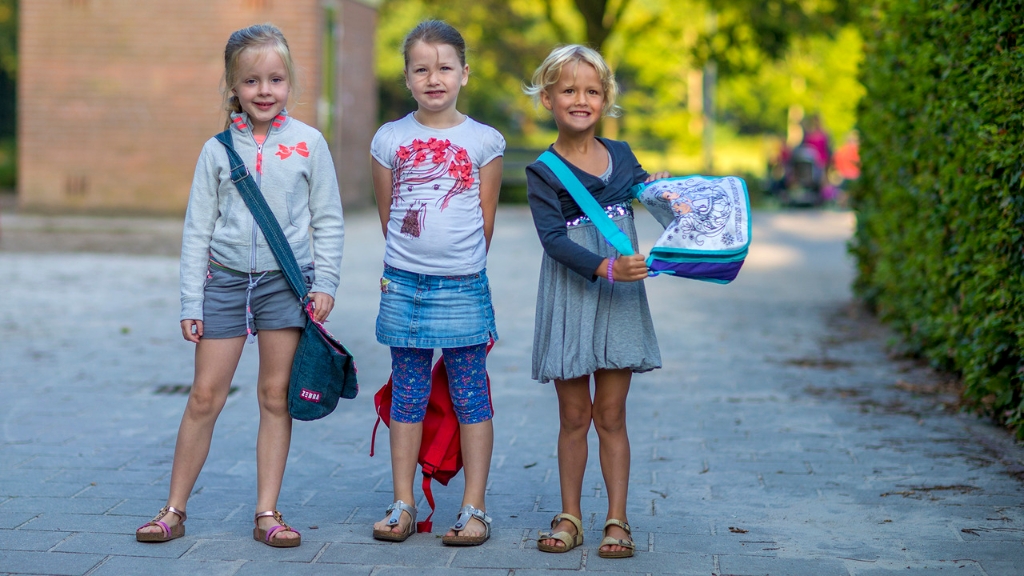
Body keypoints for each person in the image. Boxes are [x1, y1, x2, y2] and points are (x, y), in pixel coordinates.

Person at [135, 23, 345, 548]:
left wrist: (327, 282)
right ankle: (173, 509)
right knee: (205, 395)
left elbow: (330, 220)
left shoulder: (308, 145)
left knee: (275, 395)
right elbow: (196, 232)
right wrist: (190, 300)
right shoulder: (217, 151)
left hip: (284, 284)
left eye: (275, 79)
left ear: (290, 83)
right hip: (224, 284)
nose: (265, 91)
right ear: (234, 86)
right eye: (252, 81)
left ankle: (267, 513)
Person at [522, 45, 666, 559]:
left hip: (621, 300)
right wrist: (605, 266)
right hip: (572, 293)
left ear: (605, 99)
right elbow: (552, 240)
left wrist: (673, 195)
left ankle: (617, 519)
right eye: (568, 90)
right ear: (548, 98)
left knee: (612, 415)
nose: (580, 99)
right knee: (574, 416)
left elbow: (651, 197)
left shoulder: (623, 155)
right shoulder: (542, 170)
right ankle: (570, 515)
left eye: (591, 90)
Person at [369, 20, 504, 546]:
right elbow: (388, 215)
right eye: (421, 69)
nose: (434, 78)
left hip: (464, 285)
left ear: (464, 73)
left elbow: (484, 222)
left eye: (444, 67)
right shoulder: (391, 138)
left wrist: (457, 266)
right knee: (408, 392)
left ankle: (474, 508)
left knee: (471, 394)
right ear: (406, 77)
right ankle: (402, 503)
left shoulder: (484, 141)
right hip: (403, 285)